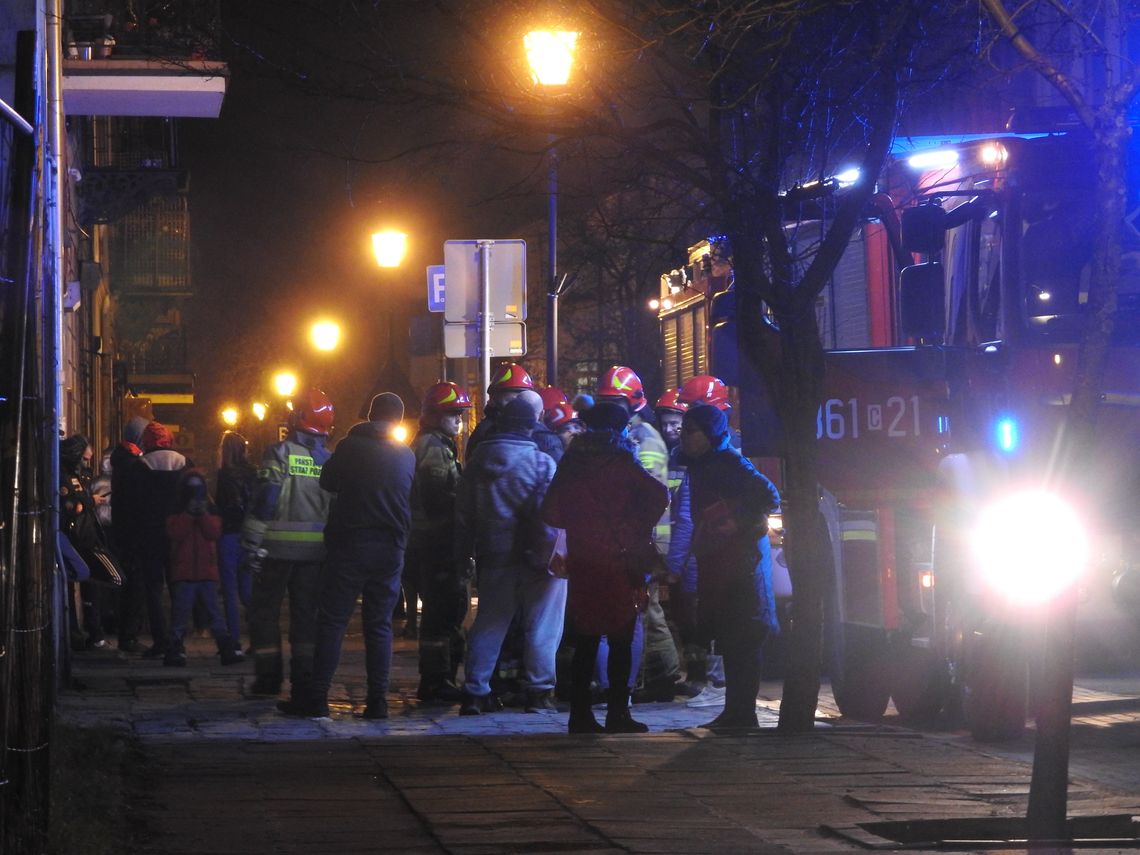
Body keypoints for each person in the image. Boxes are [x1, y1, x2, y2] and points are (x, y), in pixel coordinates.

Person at [279, 392, 415, 719]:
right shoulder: (406, 455)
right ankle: (378, 701)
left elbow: (329, 481)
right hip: (391, 549)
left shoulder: (350, 447)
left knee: (333, 622)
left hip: (351, 545)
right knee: (379, 626)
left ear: (369, 415)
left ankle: (317, 698)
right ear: (397, 420)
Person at [541, 399, 668, 733]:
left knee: (585, 639)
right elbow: (658, 495)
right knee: (621, 637)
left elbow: (550, 512)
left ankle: (580, 715)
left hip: (583, 560)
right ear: (620, 428)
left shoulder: (571, 463)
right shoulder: (624, 462)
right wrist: (633, 526)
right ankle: (617, 713)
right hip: (619, 559)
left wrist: (582, 525)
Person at [456, 396, 565, 716]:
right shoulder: (541, 463)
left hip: (493, 555)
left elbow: (462, 518)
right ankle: (540, 692)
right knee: (543, 624)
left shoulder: (475, 465)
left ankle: (475, 691)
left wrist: (461, 557)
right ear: (532, 425)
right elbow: (551, 515)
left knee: (490, 622)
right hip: (537, 560)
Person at [676, 402, 781, 731]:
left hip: (742, 569)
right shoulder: (705, 464)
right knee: (731, 641)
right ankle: (735, 712)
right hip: (723, 566)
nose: (683, 437)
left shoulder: (729, 463)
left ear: (709, 434)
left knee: (743, 642)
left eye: (690, 431)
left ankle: (742, 715)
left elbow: (769, 496)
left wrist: (733, 522)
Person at [596, 366, 683, 702]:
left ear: (632, 402)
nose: (610, 408)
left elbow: (643, 491)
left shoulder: (643, 439)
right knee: (650, 611)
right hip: (637, 539)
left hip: (643, 539)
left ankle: (656, 677)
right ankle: (662, 674)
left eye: (615, 401)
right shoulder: (627, 434)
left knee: (642, 612)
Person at [242, 388, 334, 698]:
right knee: (306, 619)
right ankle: (304, 680)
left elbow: (266, 498)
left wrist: (251, 542)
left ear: (296, 418)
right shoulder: (331, 461)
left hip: (275, 551)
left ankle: (268, 680)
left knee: (265, 614)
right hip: (316, 555)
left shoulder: (279, 453)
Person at [672, 374, 734, 707]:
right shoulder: (726, 455)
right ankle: (713, 676)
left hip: (705, 556)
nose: (684, 427)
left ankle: (707, 677)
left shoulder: (707, 464)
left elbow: (685, 518)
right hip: (714, 555)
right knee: (709, 615)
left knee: (701, 617)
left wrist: (674, 563)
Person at [409, 382, 473, 703]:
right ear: (435, 416)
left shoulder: (439, 444)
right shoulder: (433, 447)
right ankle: (436, 680)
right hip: (438, 543)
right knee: (442, 613)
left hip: (436, 542)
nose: (458, 420)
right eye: (453, 414)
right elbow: (438, 496)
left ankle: (441, 677)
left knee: (447, 610)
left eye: (460, 414)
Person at [163, 469, 244, 667]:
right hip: (184, 572)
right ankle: (175, 649)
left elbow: (213, 533)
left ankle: (225, 648)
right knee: (180, 615)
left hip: (206, 572)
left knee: (214, 614)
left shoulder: (211, 510)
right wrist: (189, 514)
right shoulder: (176, 510)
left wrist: (201, 514)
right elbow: (176, 533)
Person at [137, 421, 192, 658]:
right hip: (179, 534)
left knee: (154, 589)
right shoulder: (184, 463)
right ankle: (178, 641)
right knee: (178, 587)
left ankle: (159, 640)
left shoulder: (141, 465)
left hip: (150, 534)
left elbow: (132, 503)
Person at [60, 435, 109, 649]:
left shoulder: (82, 473)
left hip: (85, 534)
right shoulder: (67, 474)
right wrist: (90, 502)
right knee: (83, 580)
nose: (88, 459)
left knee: (90, 584)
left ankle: (89, 631)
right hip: (78, 536)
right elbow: (73, 500)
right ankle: (82, 632)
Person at [215, 430, 257, 656]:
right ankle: (259, 637)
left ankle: (233, 642)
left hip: (229, 535)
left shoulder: (224, 474)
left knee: (229, 591)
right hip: (249, 534)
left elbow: (223, 506)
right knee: (248, 589)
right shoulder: (253, 473)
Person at [111, 416, 150, 653]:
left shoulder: (122, 459)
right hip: (132, 532)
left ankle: (129, 634)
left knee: (132, 584)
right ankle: (129, 636)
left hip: (125, 530)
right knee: (135, 584)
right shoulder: (132, 463)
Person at [465, 362, 535, 458]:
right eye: (510, 401)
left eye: (521, 399)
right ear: (494, 399)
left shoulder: (528, 427)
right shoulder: (485, 433)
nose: (516, 406)